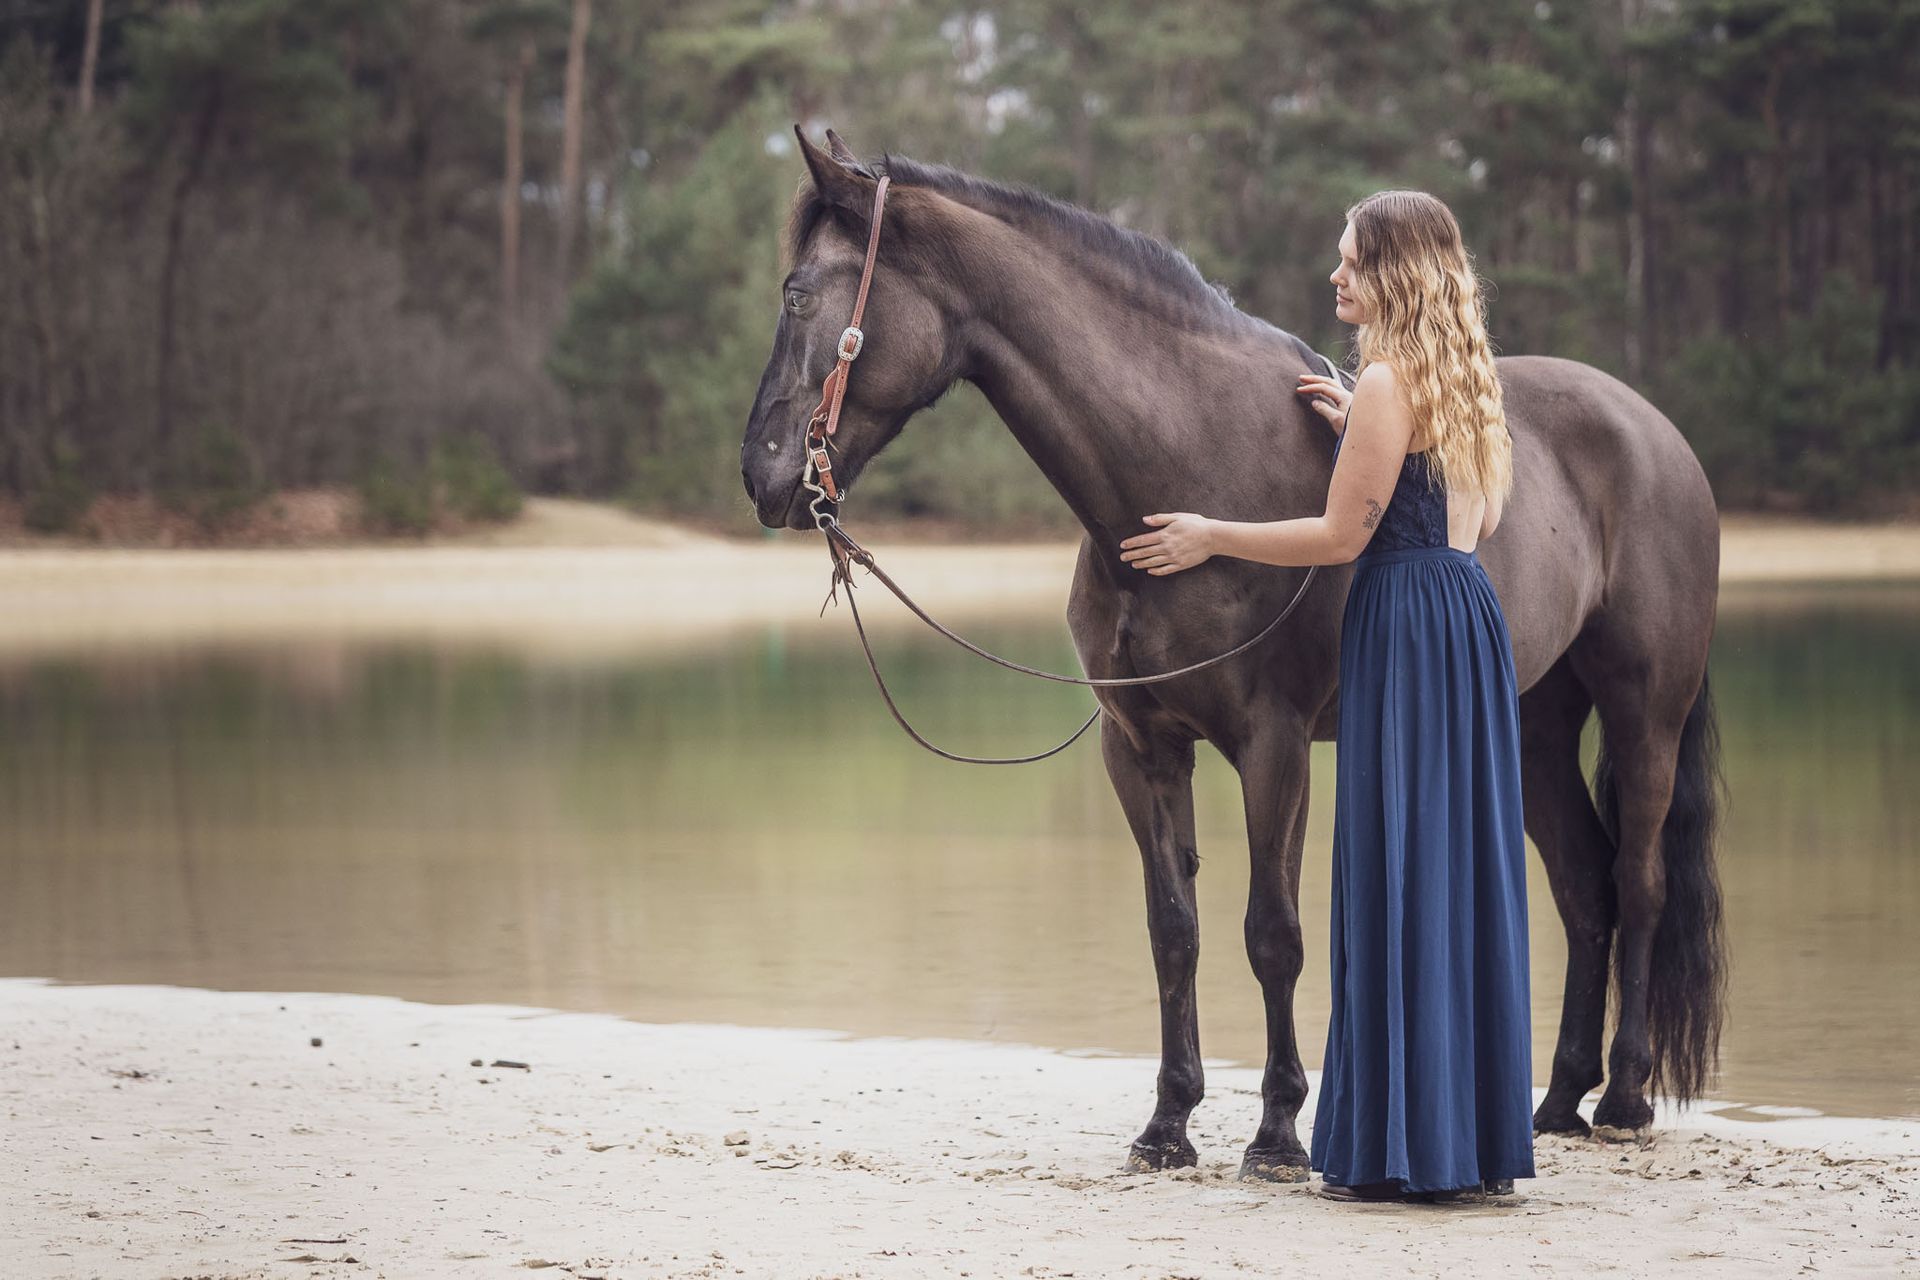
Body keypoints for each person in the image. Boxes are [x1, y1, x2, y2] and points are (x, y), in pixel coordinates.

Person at [1115, 190, 1535, 1205]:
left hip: (1400, 621)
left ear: (1391, 272)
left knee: (1399, 870)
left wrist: (1213, 533)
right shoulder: (1460, 380)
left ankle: (1401, 1142)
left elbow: (1342, 538)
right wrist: (1361, 431)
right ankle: (1464, 1136)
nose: (1334, 276)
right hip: (1464, 618)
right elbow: (1447, 504)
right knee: (1456, 870)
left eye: (1349, 260)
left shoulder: (1390, 381)